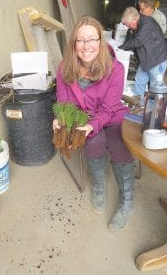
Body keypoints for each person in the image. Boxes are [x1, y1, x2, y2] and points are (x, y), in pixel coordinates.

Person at [53, 15, 135, 232]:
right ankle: (99, 187)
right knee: (93, 142)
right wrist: (60, 118)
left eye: (91, 39)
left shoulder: (114, 68)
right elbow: (64, 101)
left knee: (120, 145)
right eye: (81, 40)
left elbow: (109, 108)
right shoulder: (64, 68)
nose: (86, 46)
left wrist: (93, 124)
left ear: (100, 40)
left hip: (111, 116)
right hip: (84, 119)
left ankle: (127, 200)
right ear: (74, 43)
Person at [119, 7, 167, 105]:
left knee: (155, 88)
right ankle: (138, 105)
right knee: (139, 81)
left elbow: (137, 41)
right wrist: (123, 46)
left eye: (129, 25)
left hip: (157, 60)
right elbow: (130, 39)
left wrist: (120, 48)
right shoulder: (136, 24)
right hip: (146, 60)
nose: (129, 27)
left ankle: (151, 112)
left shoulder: (147, 24)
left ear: (135, 19)